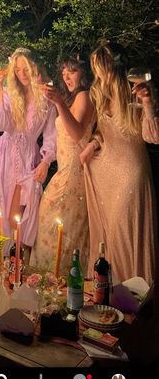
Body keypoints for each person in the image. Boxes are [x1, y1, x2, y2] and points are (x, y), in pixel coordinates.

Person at [80, 42, 159, 285]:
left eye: (102, 64)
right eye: (96, 66)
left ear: (113, 64)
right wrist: (93, 144)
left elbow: (152, 136)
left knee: (126, 231)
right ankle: (112, 289)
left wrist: (148, 103)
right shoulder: (99, 94)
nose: (99, 71)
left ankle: (135, 289)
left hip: (132, 170)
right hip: (108, 171)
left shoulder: (134, 90)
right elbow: (104, 133)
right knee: (112, 233)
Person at [0, 47, 57, 258]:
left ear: (35, 67)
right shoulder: (8, 94)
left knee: (21, 216)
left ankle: (17, 269)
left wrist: (46, 162)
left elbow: (52, 137)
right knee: (0, 213)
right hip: (4, 155)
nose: (22, 74)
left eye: (26, 69)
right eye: (17, 70)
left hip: (29, 160)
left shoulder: (47, 99)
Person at [30, 53, 94, 277]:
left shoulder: (85, 96)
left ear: (84, 73)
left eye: (72, 71)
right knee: (50, 224)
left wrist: (58, 103)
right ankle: (43, 282)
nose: (66, 76)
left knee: (65, 232)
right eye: (64, 72)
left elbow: (76, 134)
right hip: (63, 171)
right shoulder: (71, 100)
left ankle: (61, 283)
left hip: (75, 176)